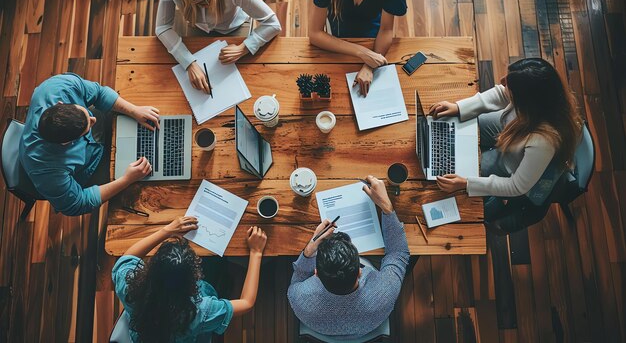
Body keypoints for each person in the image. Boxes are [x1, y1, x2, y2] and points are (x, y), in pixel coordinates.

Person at [429, 58, 582, 221]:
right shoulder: (539, 99)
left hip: (511, 161)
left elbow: (517, 186)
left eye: (509, 84)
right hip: (514, 127)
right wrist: (460, 107)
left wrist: (466, 183)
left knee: (459, 171)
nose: (502, 82)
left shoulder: (543, 143)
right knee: (465, 122)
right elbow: (502, 92)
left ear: (524, 102)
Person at [19, 73, 161, 216]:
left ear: (60, 104)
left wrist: (134, 110)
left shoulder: (59, 86)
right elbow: (78, 204)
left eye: (86, 114)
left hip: (95, 141)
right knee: (142, 189)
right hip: (89, 167)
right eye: (88, 126)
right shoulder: (47, 171)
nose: (94, 119)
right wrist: (126, 179)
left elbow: (99, 93)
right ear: (66, 143)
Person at [287, 175, 410, 339]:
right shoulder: (384, 292)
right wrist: (386, 207)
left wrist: (311, 247)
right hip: (368, 324)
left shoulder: (299, 298)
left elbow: (300, 276)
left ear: (316, 272)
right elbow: (398, 253)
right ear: (360, 271)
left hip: (323, 329)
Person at [112, 216, 267, 342]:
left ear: (151, 269)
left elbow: (127, 257)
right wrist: (256, 252)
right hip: (189, 335)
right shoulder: (198, 313)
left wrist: (166, 230)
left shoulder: (130, 288)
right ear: (193, 284)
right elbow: (247, 303)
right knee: (216, 264)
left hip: (146, 334)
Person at [156, 0, 282, 93]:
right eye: (197, 3)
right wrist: (189, 63)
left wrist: (244, 48)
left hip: (234, 27)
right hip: (197, 27)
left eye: (206, 1)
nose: (203, 7)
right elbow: (162, 28)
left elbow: (273, 24)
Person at [309, 0, 407, 96]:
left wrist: (369, 66)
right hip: (339, 41)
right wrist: (362, 52)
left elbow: (386, 30)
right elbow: (315, 33)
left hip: (374, 40)